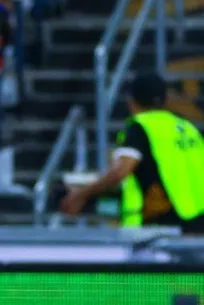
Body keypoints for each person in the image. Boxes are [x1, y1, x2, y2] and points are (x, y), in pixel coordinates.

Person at [62, 72, 204, 232]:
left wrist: (82, 194)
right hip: (197, 220)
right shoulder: (187, 127)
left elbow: (120, 171)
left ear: (132, 101)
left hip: (165, 226)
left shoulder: (140, 127)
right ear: (165, 100)